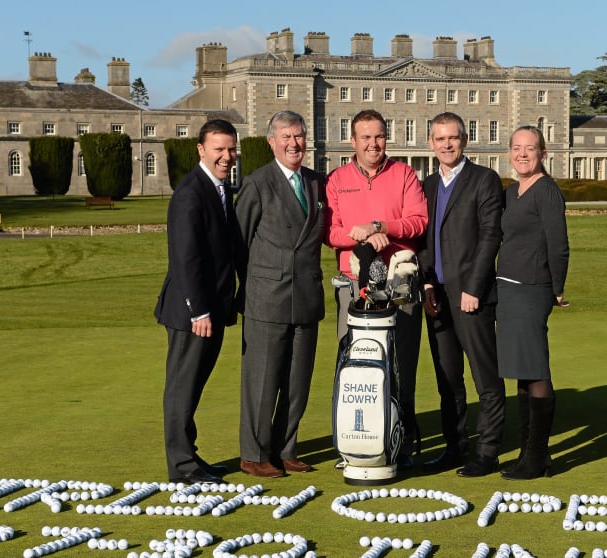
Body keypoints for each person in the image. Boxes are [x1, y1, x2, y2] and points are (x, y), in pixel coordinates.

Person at [325, 109, 428, 467]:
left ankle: (403, 439)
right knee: (352, 361)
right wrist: (363, 233)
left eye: (379, 136)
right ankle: (354, 440)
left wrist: (385, 226)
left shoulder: (404, 174)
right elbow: (332, 232)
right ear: (352, 141)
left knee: (402, 362)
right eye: (366, 137)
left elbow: (418, 222)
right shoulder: (338, 179)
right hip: (353, 282)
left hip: (399, 281)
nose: (373, 143)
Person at [235, 111, 327, 478]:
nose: (294, 144)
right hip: (266, 299)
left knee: (297, 382)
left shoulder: (318, 184)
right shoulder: (257, 184)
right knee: (262, 382)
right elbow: (237, 245)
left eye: (300, 136)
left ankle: (285, 448)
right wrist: (251, 290)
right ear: (271, 141)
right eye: (286, 137)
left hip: (306, 297)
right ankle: (254, 454)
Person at [418, 113, 506, 477]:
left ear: (465, 139)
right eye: (440, 139)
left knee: (485, 377)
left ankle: (488, 451)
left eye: (452, 138)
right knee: (448, 380)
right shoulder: (426, 185)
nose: (446, 144)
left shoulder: (484, 180)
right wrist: (424, 282)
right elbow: (423, 240)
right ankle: (455, 447)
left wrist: (474, 288)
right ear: (431, 143)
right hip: (435, 296)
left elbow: (490, 238)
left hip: (471, 297)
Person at [154, 119, 241, 485]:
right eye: (218, 149)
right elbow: (185, 257)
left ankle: (189, 456)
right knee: (182, 388)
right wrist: (199, 310)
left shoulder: (220, 189)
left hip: (213, 309)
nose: (226, 156)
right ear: (201, 150)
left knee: (193, 386)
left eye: (231, 149)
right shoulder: (191, 192)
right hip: (193, 313)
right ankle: (181, 466)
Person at [496, 125, 570, 480]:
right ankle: (529, 452)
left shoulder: (547, 191)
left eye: (530, 148)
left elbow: (558, 243)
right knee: (523, 373)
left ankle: (538, 456)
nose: (522, 154)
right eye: (516, 148)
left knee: (536, 370)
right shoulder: (512, 193)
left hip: (532, 289)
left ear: (543, 153)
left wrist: (557, 288)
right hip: (508, 290)